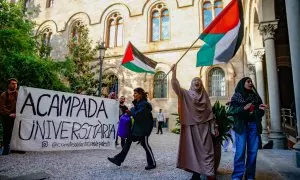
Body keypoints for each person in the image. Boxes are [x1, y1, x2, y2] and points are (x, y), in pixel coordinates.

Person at [171, 64, 218, 180]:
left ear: (201, 83)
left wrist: (214, 127)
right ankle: (196, 174)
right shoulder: (186, 94)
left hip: (204, 127)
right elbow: (176, 87)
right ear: (192, 84)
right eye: (195, 80)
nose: (197, 82)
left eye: (199, 80)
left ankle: (209, 172)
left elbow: (210, 113)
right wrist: (174, 73)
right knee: (193, 152)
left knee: (207, 150)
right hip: (192, 128)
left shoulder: (205, 97)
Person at [108, 87, 156, 170]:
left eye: (135, 93)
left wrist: (131, 112)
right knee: (128, 141)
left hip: (144, 129)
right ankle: (118, 159)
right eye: (134, 93)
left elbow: (139, 115)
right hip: (137, 129)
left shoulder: (144, 104)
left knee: (145, 145)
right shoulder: (138, 103)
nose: (134, 95)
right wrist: (129, 112)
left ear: (140, 95)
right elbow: (135, 111)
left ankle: (152, 163)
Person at [228, 77, 267, 180]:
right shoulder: (237, 96)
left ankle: (250, 176)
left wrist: (260, 110)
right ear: (242, 83)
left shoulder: (256, 96)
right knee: (240, 152)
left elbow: (260, 113)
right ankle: (237, 177)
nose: (250, 83)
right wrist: (243, 108)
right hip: (242, 126)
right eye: (248, 81)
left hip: (253, 125)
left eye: (251, 81)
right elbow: (231, 110)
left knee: (253, 152)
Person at [0, 78, 18, 155]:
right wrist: (9, 114)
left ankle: (15, 148)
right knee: (6, 132)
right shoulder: (4, 95)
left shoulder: (19, 94)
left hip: (16, 116)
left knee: (16, 132)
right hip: (7, 116)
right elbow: (2, 107)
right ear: (9, 85)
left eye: (16, 84)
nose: (15, 85)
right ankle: (6, 148)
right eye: (13, 83)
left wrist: (17, 113)